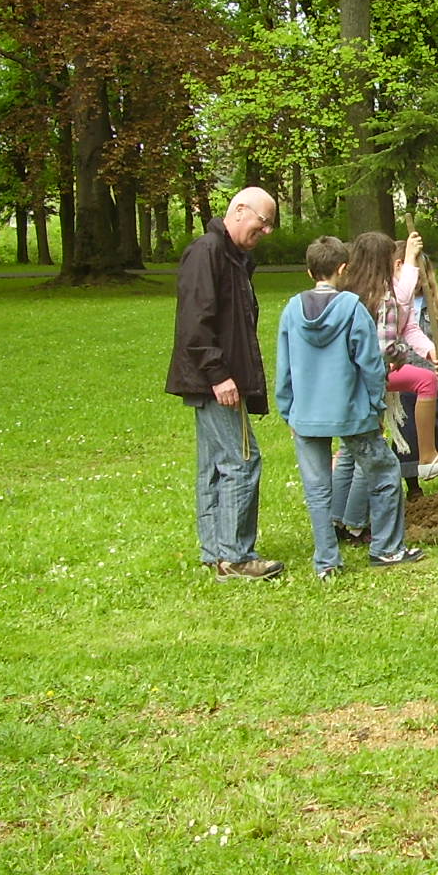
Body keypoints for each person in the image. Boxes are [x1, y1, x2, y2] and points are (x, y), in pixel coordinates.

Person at [275, 236, 424, 574]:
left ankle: (326, 561)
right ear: (342, 268)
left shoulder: (292, 309)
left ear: (309, 271)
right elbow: (370, 364)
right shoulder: (352, 307)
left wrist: (288, 411)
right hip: (352, 413)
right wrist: (376, 405)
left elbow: (284, 368)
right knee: (385, 473)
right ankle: (387, 549)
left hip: (306, 415)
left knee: (317, 489)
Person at [165, 187, 284, 580]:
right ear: (239, 210)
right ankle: (236, 556)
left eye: (270, 225)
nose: (266, 231)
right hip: (215, 380)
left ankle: (215, 551)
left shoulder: (232, 257)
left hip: (216, 378)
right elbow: (194, 322)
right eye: (263, 222)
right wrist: (218, 374)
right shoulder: (208, 252)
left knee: (215, 465)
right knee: (242, 460)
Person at [339, 231, 438, 480]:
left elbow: (407, 325)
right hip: (366, 375)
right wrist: (411, 257)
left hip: (371, 372)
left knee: (353, 450)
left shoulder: (378, 288)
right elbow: (400, 304)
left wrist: (430, 350)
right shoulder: (377, 293)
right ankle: (426, 456)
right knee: (362, 447)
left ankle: (341, 510)